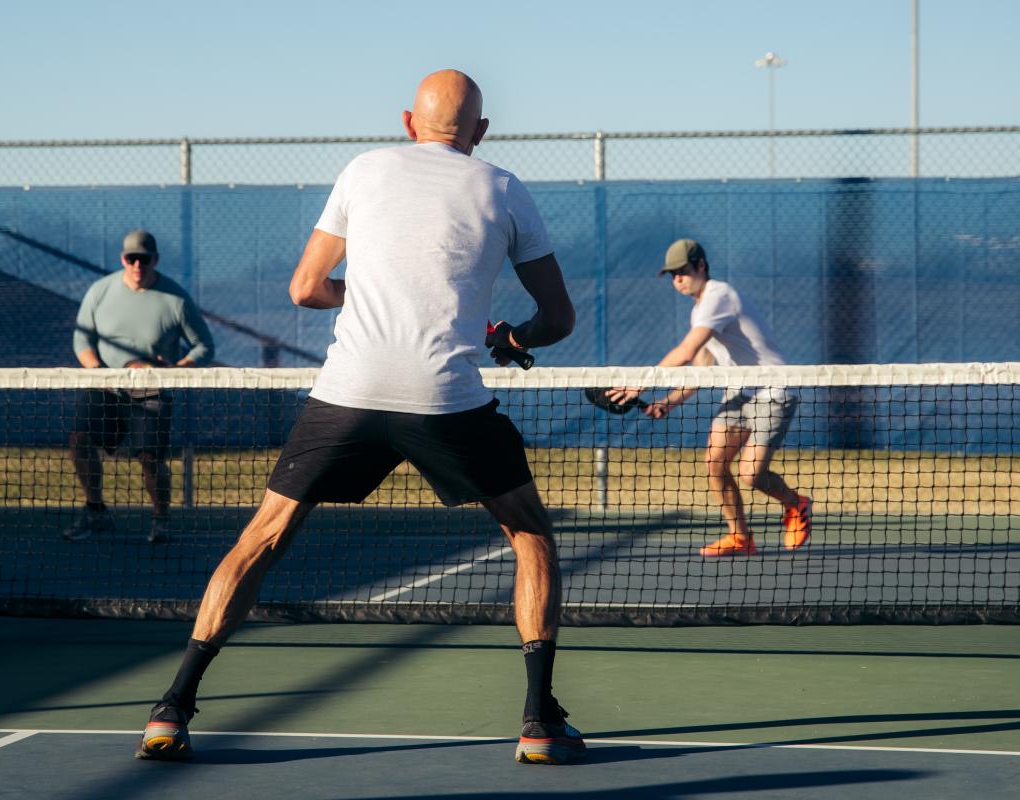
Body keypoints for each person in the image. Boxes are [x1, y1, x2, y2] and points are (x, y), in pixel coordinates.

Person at [135, 70, 582, 766]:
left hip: (349, 390)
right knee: (530, 535)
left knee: (263, 536)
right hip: (447, 399)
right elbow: (559, 319)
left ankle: (172, 708)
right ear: (482, 133)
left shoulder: (363, 170)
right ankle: (537, 721)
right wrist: (508, 339)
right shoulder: (502, 187)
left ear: (409, 122)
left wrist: (366, 288)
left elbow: (307, 289)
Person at [606, 239, 811, 557]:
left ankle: (795, 504)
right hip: (739, 391)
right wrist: (669, 401)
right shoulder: (701, 310)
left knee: (751, 474)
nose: (678, 280)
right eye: (672, 275)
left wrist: (640, 384)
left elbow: (686, 352)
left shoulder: (719, 295)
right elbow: (702, 365)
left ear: (701, 266)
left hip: (773, 390)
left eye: (683, 271)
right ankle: (740, 537)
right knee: (715, 463)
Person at [65, 229, 214, 544]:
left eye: (144, 259)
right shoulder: (99, 292)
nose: (137, 265)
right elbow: (82, 340)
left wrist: (176, 369)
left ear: (155, 260)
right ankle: (95, 511)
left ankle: (161, 520)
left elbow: (204, 346)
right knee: (79, 438)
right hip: (104, 386)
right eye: (131, 258)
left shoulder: (176, 299)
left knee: (150, 458)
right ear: (123, 259)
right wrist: (100, 372)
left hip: (151, 391)